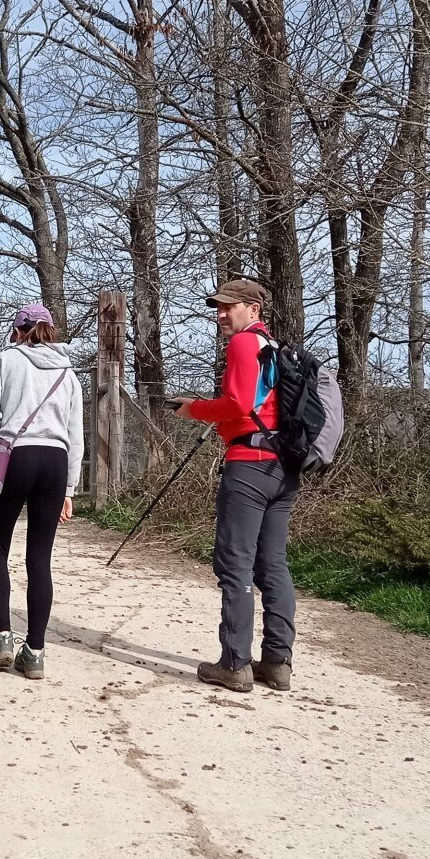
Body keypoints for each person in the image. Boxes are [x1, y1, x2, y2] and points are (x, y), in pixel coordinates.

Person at [176, 278, 298, 694]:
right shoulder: (274, 348)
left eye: (229, 307)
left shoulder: (245, 344)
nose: (221, 315)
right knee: (273, 564)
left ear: (253, 308)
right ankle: (277, 663)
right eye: (218, 308)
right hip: (282, 467)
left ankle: (234, 663)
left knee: (236, 564)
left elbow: (238, 404)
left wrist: (193, 409)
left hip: (248, 466)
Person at [0, 302, 84, 680]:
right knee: (40, 558)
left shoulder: (4, 361)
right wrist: (69, 486)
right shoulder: (69, 375)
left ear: (18, 330)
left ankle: (2, 638)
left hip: (15, 456)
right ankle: (34, 652)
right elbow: (76, 436)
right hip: (55, 460)